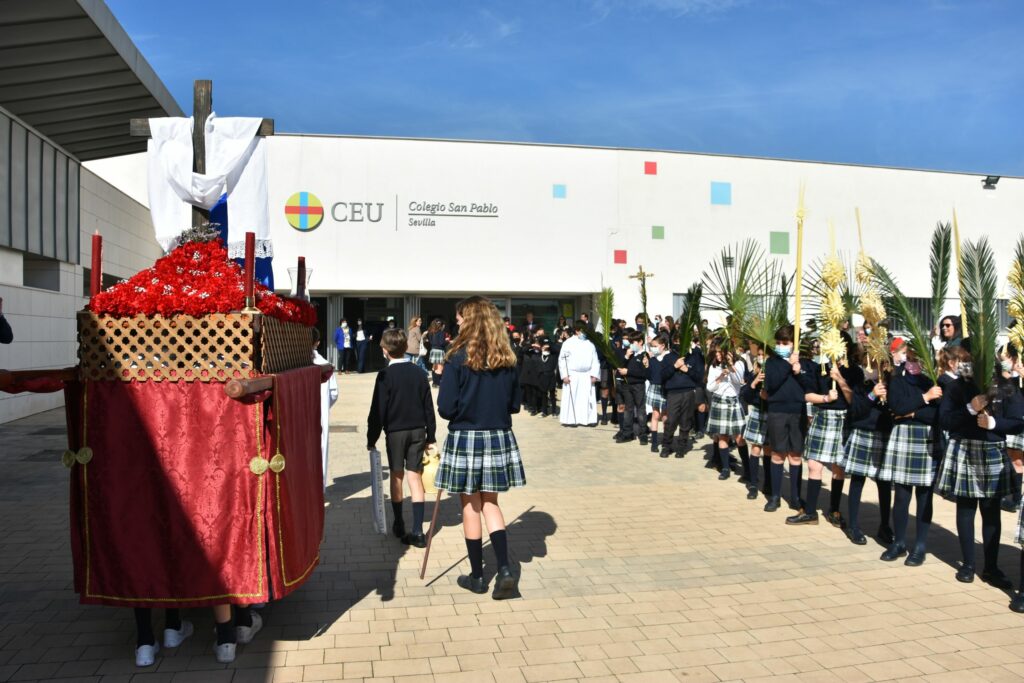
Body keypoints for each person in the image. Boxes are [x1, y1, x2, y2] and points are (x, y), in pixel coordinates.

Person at [435, 296, 525, 599]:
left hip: (466, 435)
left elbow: (445, 408)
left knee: (470, 505)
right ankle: (504, 569)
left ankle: (476, 576)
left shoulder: (457, 357)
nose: (457, 321)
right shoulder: (507, 358)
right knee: (491, 503)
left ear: (470, 319)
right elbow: (514, 405)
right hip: (498, 435)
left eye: (460, 316)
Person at [936, 348, 1020, 586]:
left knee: (991, 510)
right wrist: (970, 409)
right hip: (964, 447)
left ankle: (991, 567)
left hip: (992, 449)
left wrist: (994, 423)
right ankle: (968, 564)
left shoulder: (1004, 386)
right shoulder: (957, 387)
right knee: (965, 508)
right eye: (965, 362)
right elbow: (945, 420)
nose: (967, 366)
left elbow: (1017, 421)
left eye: (972, 361)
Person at [366, 328, 437, 547]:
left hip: (395, 432)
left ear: (385, 351)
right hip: (418, 430)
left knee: (397, 476)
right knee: (414, 477)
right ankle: (418, 531)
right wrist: (431, 435)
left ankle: (399, 523)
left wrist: (372, 437)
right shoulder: (419, 373)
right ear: (406, 347)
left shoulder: (385, 375)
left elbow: (378, 410)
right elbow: (428, 407)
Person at [877, 340, 942, 565]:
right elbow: (897, 407)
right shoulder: (897, 380)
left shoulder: (931, 382)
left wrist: (913, 413)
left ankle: (921, 546)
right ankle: (899, 542)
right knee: (902, 494)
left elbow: (937, 416)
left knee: (924, 495)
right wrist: (924, 400)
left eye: (918, 359)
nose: (914, 362)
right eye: (911, 357)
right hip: (903, 438)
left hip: (926, 438)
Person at [788, 338, 862, 527]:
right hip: (823, 416)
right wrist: (825, 397)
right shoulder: (818, 368)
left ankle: (834, 510)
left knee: (838, 467)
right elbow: (807, 395)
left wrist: (839, 379)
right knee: (814, 464)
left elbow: (854, 400)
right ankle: (811, 512)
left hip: (843, 418)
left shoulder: (855, 371)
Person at [839, 352, 893, 545]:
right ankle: (853, 525)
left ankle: (885, 526)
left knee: (884, 482)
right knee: (857, 480)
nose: (872, 368)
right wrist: (872, 395)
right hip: (863, 432)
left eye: (877, 364)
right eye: (868, 364)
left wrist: (888, 397)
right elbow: (856, 410)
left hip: (883, 433)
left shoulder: (890, 383)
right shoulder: (861, 385)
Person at [763, 325, 812, 513]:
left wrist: (798, 370)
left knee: (795, 455)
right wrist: (787, 364)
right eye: (779, 342)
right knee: (777, 454)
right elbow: (772, 384)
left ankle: (796, 497)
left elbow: (809, 387)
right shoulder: (773, 362)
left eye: (785, 342)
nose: (781, 345)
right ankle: (775, 496)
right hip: (777, 411)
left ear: (794, 344)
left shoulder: (804, 363)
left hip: (797, 412)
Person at [658, 333, 704, 458]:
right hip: (673, 393)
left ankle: (681, 447)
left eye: (681, 341)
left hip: (689, 392)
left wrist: (687, 370)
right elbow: (662, 376)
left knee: (685, 421)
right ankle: (666, 446)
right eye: (676, 341)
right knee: (671, 421)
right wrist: (674, 366)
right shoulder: (668, 357)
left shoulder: (693, 357)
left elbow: (699, 376)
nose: (679, 344)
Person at [706, 343, 748, 481]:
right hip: (719, 401)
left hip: (734, 402)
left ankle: (747, 469)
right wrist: (720, 377)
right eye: (715, 353)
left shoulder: (739, 363)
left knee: (739, 437)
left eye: (720, 352)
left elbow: (739, 381)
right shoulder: (714, 367)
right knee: (722, 436)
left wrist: (730, 366)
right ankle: (725, 468)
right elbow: (710, 387)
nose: (717, 355)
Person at [558, 322, 601, 427]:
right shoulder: (568, 343)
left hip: (587, 375)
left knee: (587, 398)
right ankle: (570, 420)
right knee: (572, 397)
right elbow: (562, 360)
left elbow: (595, 360)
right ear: (577, 331)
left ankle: (588, 419)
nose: (584, 333)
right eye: (582, 331)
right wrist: (564, 375)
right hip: (572, 374)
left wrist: (594, 375)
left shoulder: (589, 344)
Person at [313, 328, 339, 491]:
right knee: (319, 448)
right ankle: (318, 488)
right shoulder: (324, 363)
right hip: (319, 413)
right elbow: (334, 393)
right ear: (318, 342)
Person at [615, 330, 649, 444]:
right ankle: (627, 433)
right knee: (628, 409)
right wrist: (626, 357)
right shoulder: (629, 354)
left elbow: (643, 373)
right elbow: (619, 366)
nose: (631, 344)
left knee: (640, 410)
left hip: (638, 385)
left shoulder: (645, 355)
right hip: (627, 385)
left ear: (640, 342)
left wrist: (628, 371)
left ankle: (643, 433)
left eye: (633, 342)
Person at [646, 334, 669, 454]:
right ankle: (654, 442)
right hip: (655, 387)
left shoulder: (668, 357)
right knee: (655, 414)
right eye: (651, 346)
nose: (653, 348)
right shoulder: (652, 358)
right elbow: (649, 374)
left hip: (665, 388)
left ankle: (666, 441)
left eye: (655, 346)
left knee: (665, 416)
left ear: (663, 346)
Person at [427, 319, 449, 387]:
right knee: (440, 368)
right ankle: (438, 383)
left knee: (434, 367)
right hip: (439, 351)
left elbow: (430, 342)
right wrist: (447, 341)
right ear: (441, 326)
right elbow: (442, 343)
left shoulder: (431, 332)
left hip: (433, 350)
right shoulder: (442, 332)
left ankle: (434, 383)